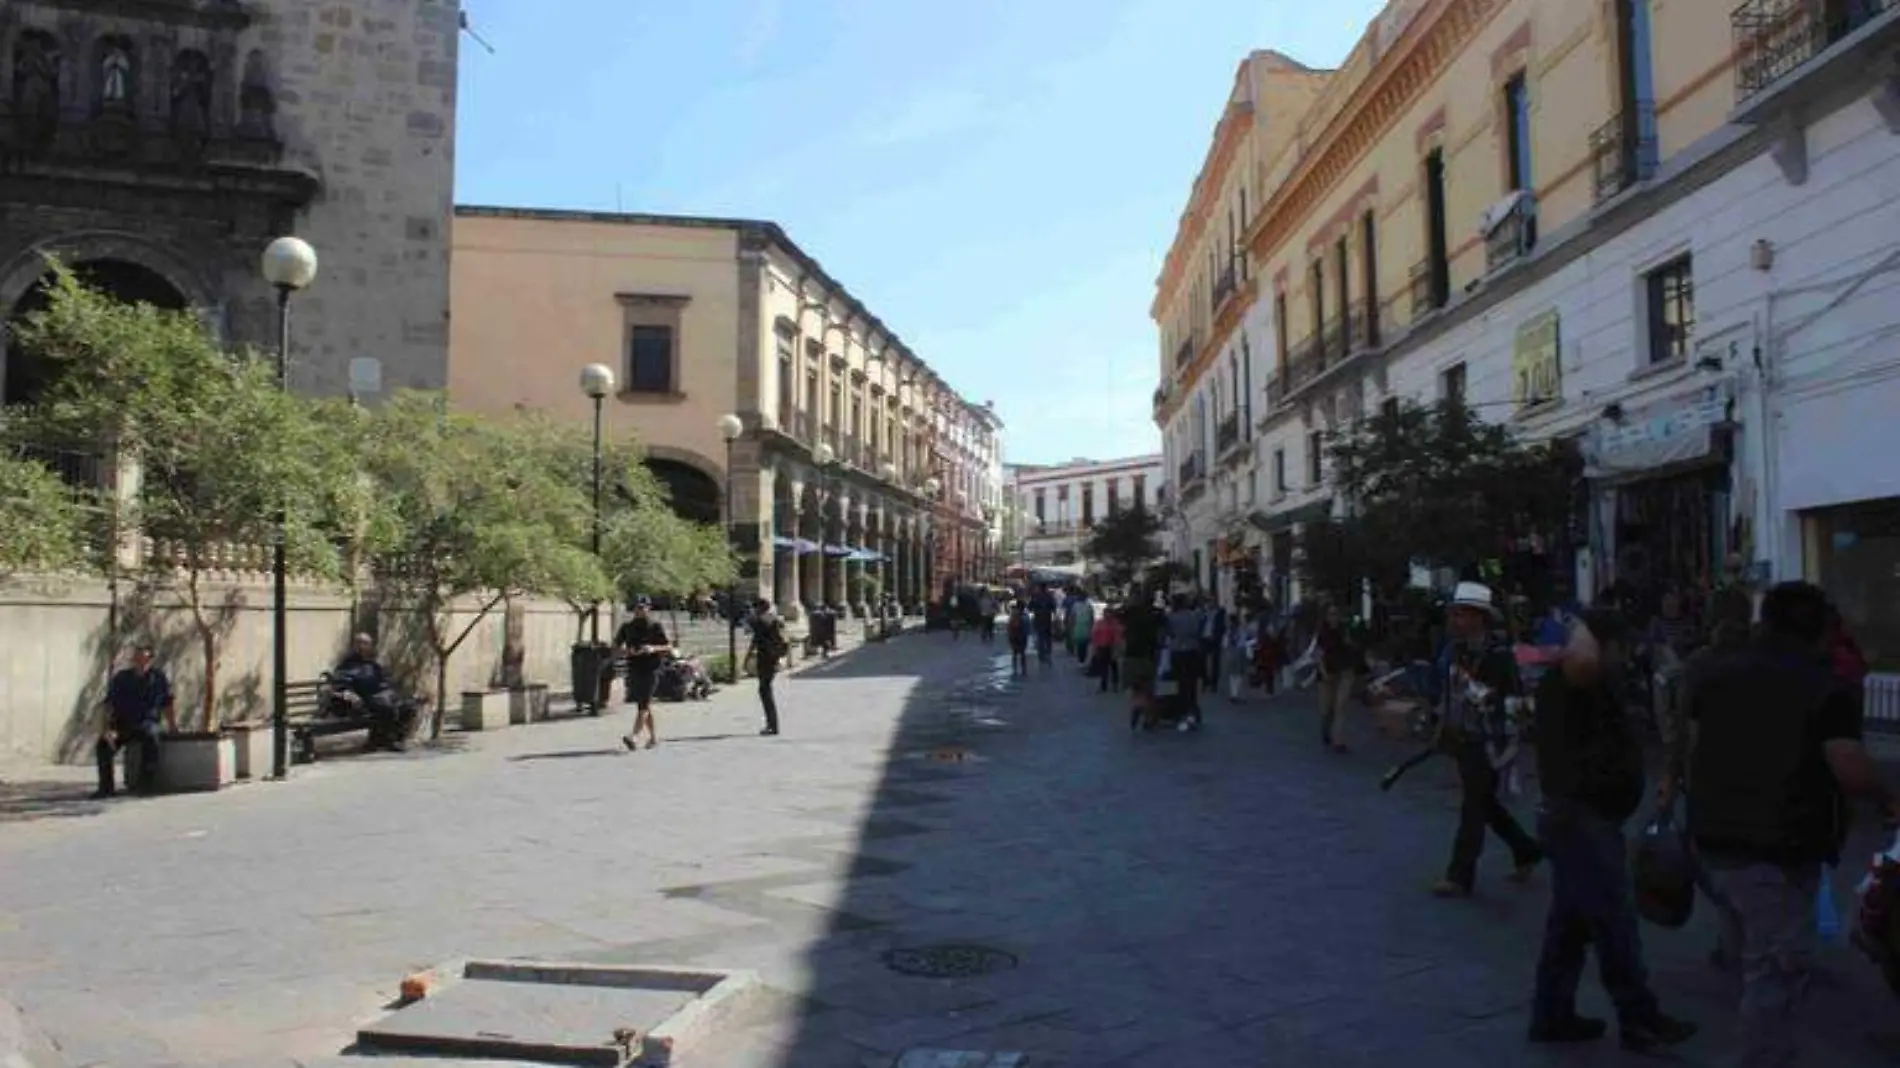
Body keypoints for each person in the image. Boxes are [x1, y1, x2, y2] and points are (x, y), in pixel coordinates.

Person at [1683, 582, 1900, 1068]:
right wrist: (1889, 795)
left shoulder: (1718, 673)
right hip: (1777, 846)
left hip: (1714, 836)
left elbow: (1695, 742)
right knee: (1774, 972)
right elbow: (1846, 761)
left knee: (1754, 956)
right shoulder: (1825, 686)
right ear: (1821, 630)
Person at [1529, 609, 1698, 1050]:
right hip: (1581, 819)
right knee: (1613, 921)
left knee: (1570, 926)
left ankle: (1552, 1014)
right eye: (1620, 646)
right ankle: (1638, 1016)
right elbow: (1584, 657)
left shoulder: (1591, 682)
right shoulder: (1572, 678)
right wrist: (1588, 629)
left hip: (1583, 818)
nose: (1627, 656)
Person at [1430, 581, 1543, 898]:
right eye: (1454, 614)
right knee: (1484, 804)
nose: (1456, 621)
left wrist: (1478, 696)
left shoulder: (1499, 656)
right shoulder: (1456, 651)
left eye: (1463, 614)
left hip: (1491, 743)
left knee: (1473, 807)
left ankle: (1460, 874)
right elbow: (1450, 695)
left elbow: (1514, 704)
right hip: (1464, 738)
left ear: (1480, 617)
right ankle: (1526, 850)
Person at [93, 644, 177, 799]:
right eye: (136, 658)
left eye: (143, 658)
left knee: (151, 737)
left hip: (147, 722)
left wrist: (172, 726)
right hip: (122, 724)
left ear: (150, 659)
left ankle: (145, 785)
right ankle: (106, 788)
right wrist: (107, 729)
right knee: (103, 745)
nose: (140, 661)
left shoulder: (158, 678)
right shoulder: (121, 678)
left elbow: (167, 703)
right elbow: (109, 705)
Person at [329, 632, 412, 752]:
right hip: (363, 699)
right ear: (355, 645)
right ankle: (386, 740)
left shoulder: (372, 663)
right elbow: (341, 683)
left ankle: (390, 738)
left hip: (381, 695)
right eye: (360, 644)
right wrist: (349, 694)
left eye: (367, 644)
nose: (363, 647)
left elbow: (383, 679)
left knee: (408, 704)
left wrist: (388, 688)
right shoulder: (348, 664)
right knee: (385, 706)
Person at [615, 596, 671, 750]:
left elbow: (667, 646)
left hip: (652, 668)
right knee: (643, 704)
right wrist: (628, 651)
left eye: (642, 607)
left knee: (644, 703)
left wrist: (653, 648)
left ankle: (634, 736)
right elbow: (616, 648)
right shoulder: (627, 627)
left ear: (648, 608)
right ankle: (653, 738)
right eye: (637, 608)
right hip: (634, 668)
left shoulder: (655, 626)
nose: (639, 610)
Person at [1314, 604, 1357, 753]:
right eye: (1331, 614)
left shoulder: (1345, 630)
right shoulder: (1322, 633)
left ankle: (1338, 739)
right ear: (1326, 616)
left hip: (1345, 671)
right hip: (1328, 673)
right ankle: (1326, 728)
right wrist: (1323, 672)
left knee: (1341, 706)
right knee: (1328, 708)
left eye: (1336, 613)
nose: (1334, 617)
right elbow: (1319, 654)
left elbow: (1351, 648)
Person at [1120, 591, 1165, 728]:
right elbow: (1163, 633)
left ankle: (1138, 705)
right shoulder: (1156, 614)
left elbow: (1119, 619)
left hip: (1131, 654)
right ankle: (1150, 718)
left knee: (1135, 687)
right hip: (1149, 654)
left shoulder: (1129, 613)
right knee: (1149, 689)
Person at [746, 598, 789, 736]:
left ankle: (772, 725)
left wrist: (747, 657)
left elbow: (756, 640)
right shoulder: (774, 619)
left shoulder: (760, 621)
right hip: (773, 658)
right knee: (765, 689)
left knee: (765, 691)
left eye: (755, 608)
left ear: (759, 608)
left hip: (765, 659)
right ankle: (772, 724)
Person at [1163, 593, 1204, 728]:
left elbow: (1169, 633)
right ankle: (1192, 709)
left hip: (1177, 650)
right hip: (1192, 650)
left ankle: (1180, 710)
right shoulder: (1194, 616)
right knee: (1191, 681)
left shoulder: (1171, 617)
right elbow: (1198, 631)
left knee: (1179, 681)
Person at [1089, 607, 1123, 693]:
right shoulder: (1099, 623)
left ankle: (1115, 684)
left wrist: (1117, 649)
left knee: (1113, 666)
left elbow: (1118, 637)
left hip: (1112, 647)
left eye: (1109, 613)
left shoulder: (1115, 624)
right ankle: (1103, 685)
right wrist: (1095, 648)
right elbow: (1094, 636)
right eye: (1106, 613)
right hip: (1102, 647)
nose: (1107, 615)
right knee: (1103, 667)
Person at [1030, 586, 1057, 667]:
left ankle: (1041, 655)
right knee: (1047, 637)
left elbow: (1029, 608)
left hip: (1038, 620)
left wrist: (1037, 609)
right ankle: (1048, 653)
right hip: (1047, 619)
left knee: (1040, 637)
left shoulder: (1035, 597)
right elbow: (1054, 607)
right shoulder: (1049, 597)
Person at [1006, 600, 1030, 677]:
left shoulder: (1013, 614)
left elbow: (1009, 626)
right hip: (1022, 636)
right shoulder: (1025, 616)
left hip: (1014, 636)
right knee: (1022, 653)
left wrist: (1009, 635)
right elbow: (1027, 628)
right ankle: (1023, 670)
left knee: (1015, 653)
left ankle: (1014, 669)